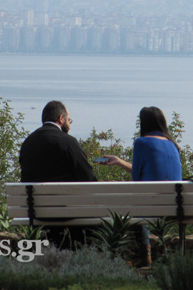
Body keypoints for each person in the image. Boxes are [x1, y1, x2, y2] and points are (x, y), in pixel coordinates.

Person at [99, 106, 182, 266]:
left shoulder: (142, 142)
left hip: (152, 206)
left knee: (131, 204)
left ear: (143, 124)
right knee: (142, 200)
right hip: (175, 206)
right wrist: (119, 162)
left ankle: (143, 254)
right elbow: (150, 172)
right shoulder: (173, 145)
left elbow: (137, 179)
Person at [19, 100, 96, 183]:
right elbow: (88, 177)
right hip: (64, 195)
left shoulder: (28, 142)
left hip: (31, 195)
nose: (69, 125)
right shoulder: (68, 142)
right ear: (61, 118)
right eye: (68, 120)